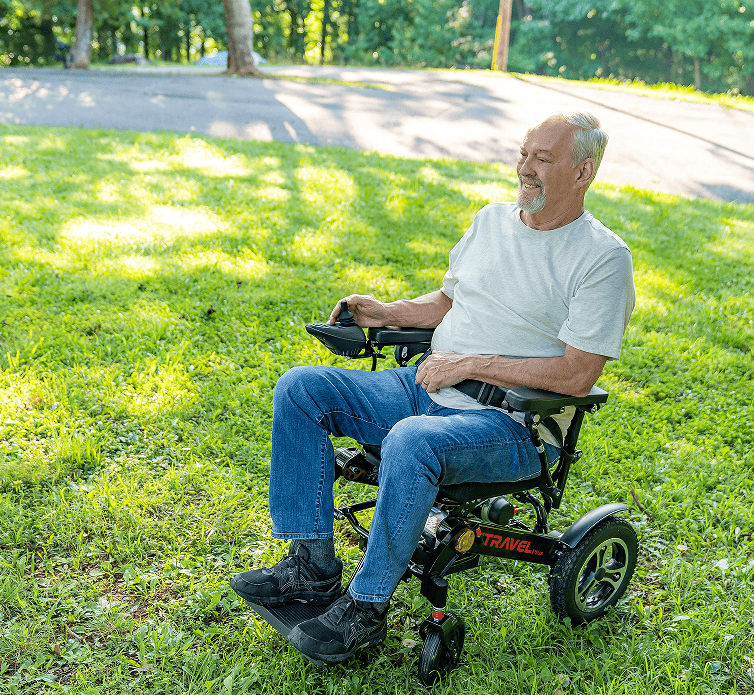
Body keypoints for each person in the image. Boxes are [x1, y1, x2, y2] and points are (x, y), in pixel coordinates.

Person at [230, 111, 635, 664]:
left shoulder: (603, 258)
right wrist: (384, 311)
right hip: (426, 387)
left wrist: (473, 363)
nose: (524, 168)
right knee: (301, 389)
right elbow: (448, 302)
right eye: (523, 153)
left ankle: (366, 609)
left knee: (411, 441)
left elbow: (576, 374)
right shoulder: (492, 220)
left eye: (542, 159)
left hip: (511, 424)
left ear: (584, 170)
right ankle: (312, 568)